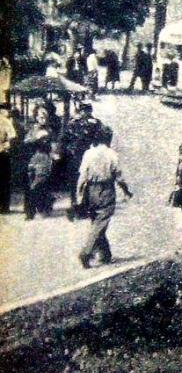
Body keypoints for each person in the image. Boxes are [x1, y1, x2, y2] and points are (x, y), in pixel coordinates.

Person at [77, 126, 132, 268]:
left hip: (90, 190)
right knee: (100, 223)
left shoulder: (88, 153)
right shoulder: (112, 154)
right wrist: (126, 191)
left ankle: (105, 254)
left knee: (97, 221)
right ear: (109, 138)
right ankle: (86, 252)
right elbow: (119, 177)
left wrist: (79, 194)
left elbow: (82, 176)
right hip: (106, 189)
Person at [59, 102, 106, 220]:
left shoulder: (73, 123)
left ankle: (75, 205)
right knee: (88, 182)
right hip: (89, 157)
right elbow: (102, 138)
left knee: (76, 182)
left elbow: (64, 140)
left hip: (75, 157)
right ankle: (83, 207)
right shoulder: (96, 123)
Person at [0, 104, 17, 214]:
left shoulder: (5, 121)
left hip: (2, 154)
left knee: (4, 181)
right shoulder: (5, 120)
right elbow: (12, 137)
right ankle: (3, 207)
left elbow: (12, 138)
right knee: (3, 181)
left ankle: (4, 207)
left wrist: (5, 146)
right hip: (2, 153)